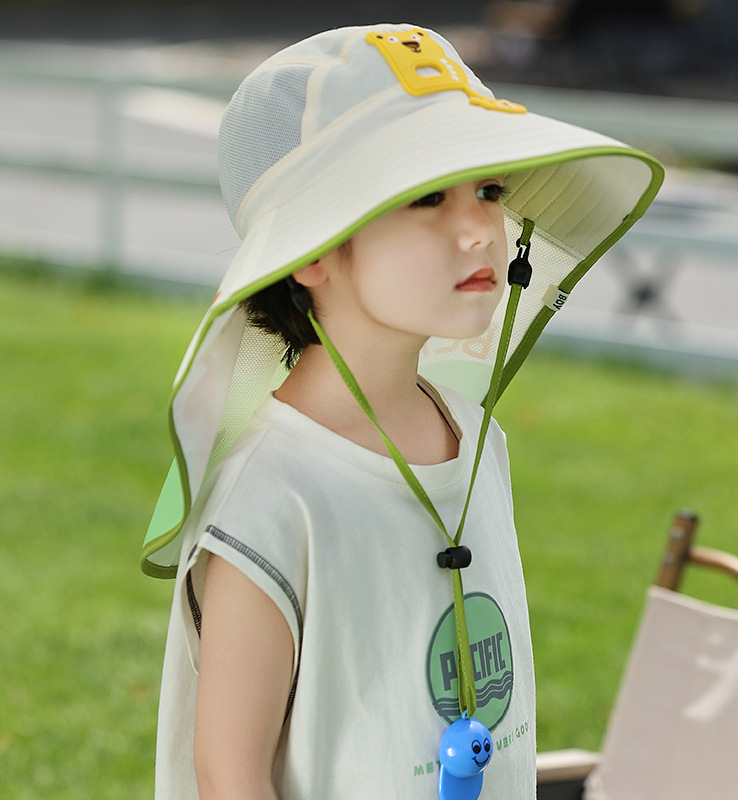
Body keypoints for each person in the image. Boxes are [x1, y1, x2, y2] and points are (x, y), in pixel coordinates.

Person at [142, 23, 663, 800]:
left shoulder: (478, 438)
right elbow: (229, 775)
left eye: (489, 190)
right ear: (313, 252)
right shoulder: (271, 498)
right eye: (426, 196)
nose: (481, 228)